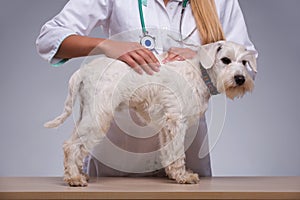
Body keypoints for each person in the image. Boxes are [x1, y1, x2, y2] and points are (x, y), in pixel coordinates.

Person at [36, 0, 257, 177]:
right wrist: (104, 45)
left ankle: (176, 167)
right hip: (118, 158)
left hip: (189, 157)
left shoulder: (221, 2)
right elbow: (49, 38)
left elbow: (244, 69)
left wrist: (204, 62)